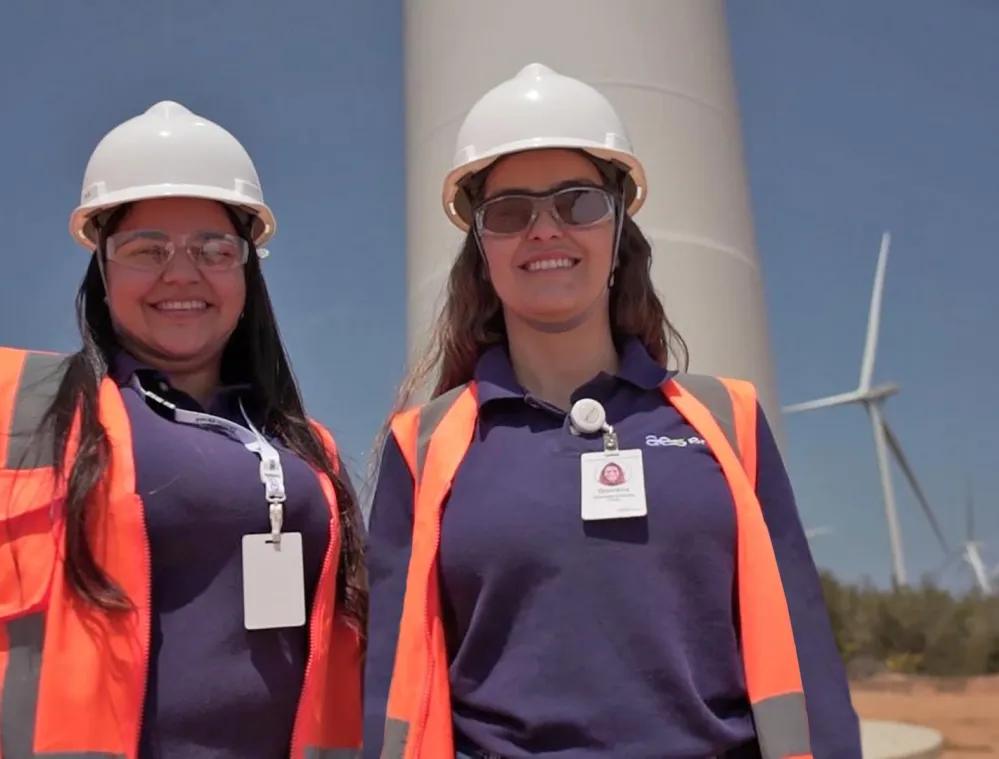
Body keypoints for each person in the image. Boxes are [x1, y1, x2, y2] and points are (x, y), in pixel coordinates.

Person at [362, 63, 861, 759]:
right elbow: (389, 688)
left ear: (618, 225)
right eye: (509, 212)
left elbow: (805, 659)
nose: (544, 230)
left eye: (577, 203)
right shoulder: (422, 445)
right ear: (480, 246)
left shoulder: (726, 419)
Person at [0, 101, 364, 758]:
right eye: (147, 249)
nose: (181, 272)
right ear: (103, 271)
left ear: (245, 271)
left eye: (212, 248)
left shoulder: (308, 449)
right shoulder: (24, 406)